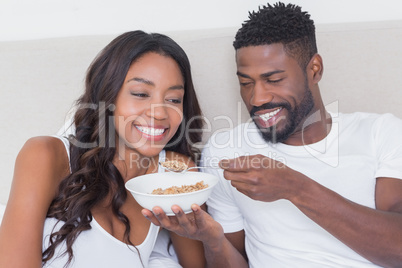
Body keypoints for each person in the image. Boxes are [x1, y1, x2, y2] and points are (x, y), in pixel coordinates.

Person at [142, 2, 402, 267]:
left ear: (315, 69)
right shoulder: (226, 150)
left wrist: (295, 188)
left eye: (274, 80)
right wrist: (214, 239)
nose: (257, 98)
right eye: (246, 83)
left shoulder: (380, 133)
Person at [0, 30, 206, 267]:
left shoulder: (177, 174)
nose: (159, 113)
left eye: (173, 99)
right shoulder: (45, 155)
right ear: (107, 96)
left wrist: (212, 236)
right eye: (140, 94)